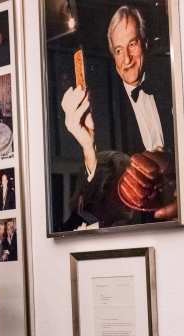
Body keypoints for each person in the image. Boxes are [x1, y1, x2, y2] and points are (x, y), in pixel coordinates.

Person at [61, 5, 176, 228]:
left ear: (145, 43)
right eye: (119, 50)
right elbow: (95, 195)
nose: (127, 60)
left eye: (132, 44)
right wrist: (88, 147)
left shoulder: (170, 86)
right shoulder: (102, 110)